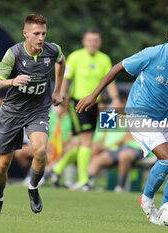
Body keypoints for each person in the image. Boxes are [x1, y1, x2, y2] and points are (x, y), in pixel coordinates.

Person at [76, 16, 168, 225]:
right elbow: (119, 67)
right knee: (167, 159)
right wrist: (94, 95)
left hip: (163, 116)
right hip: (138, 113)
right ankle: (147, 201)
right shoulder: (153, 54)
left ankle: (167, 215)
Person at [0, 14, 65, 215]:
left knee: (40, 151)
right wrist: (11, 81)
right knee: (2, 165)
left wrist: (57, 90)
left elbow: (61, 61)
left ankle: (33, 188)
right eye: (36, 34)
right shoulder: (14, 54)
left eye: (44, 33)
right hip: (12, 112)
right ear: (25, 34)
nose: (41, 38)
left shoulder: (52, 50)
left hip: (37, 110)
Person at [61, 29, 120, 190]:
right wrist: (61, 98)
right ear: (84, 41)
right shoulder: (75, 56)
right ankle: (83, 180)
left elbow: (110, 81)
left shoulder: (104, 59)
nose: (93, 43)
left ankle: (55, 170)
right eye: (90, 40)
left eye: (96, 40)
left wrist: (115, 99)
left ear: (99, 42)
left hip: (95, 105)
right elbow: (65, 79)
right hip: (78, 103)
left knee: (82, 142)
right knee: (86, 141)